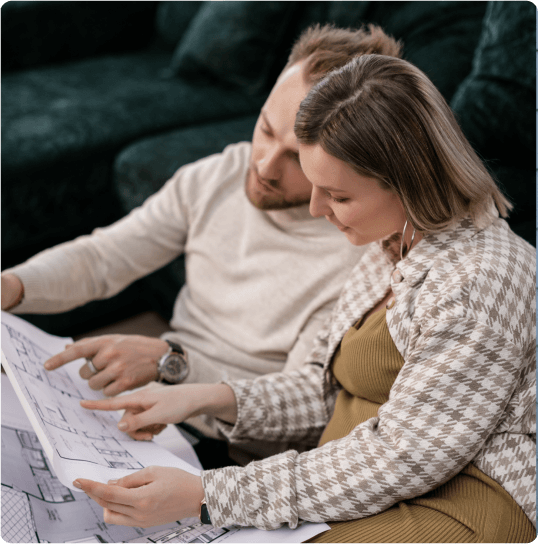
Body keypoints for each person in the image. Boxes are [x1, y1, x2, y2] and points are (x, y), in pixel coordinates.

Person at [73, 54, 535, 544]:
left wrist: (208, 495)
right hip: (361, 470)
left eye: (336, 196)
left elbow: (401, 457)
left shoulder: (476, 287)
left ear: (409, 183)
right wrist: (204, 396)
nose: (317, 209)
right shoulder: (392, 242)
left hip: (466, 494)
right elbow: (326, 390)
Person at [0, 26, 401, 453]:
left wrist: (173, 364)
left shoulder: (361, 252)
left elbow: (306, 404)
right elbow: (104, 257)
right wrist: (13, 285)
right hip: (154, 394)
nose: (264, 166)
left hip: (229, 443)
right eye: (266, 130)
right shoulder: (222, 173)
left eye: (298, 158)